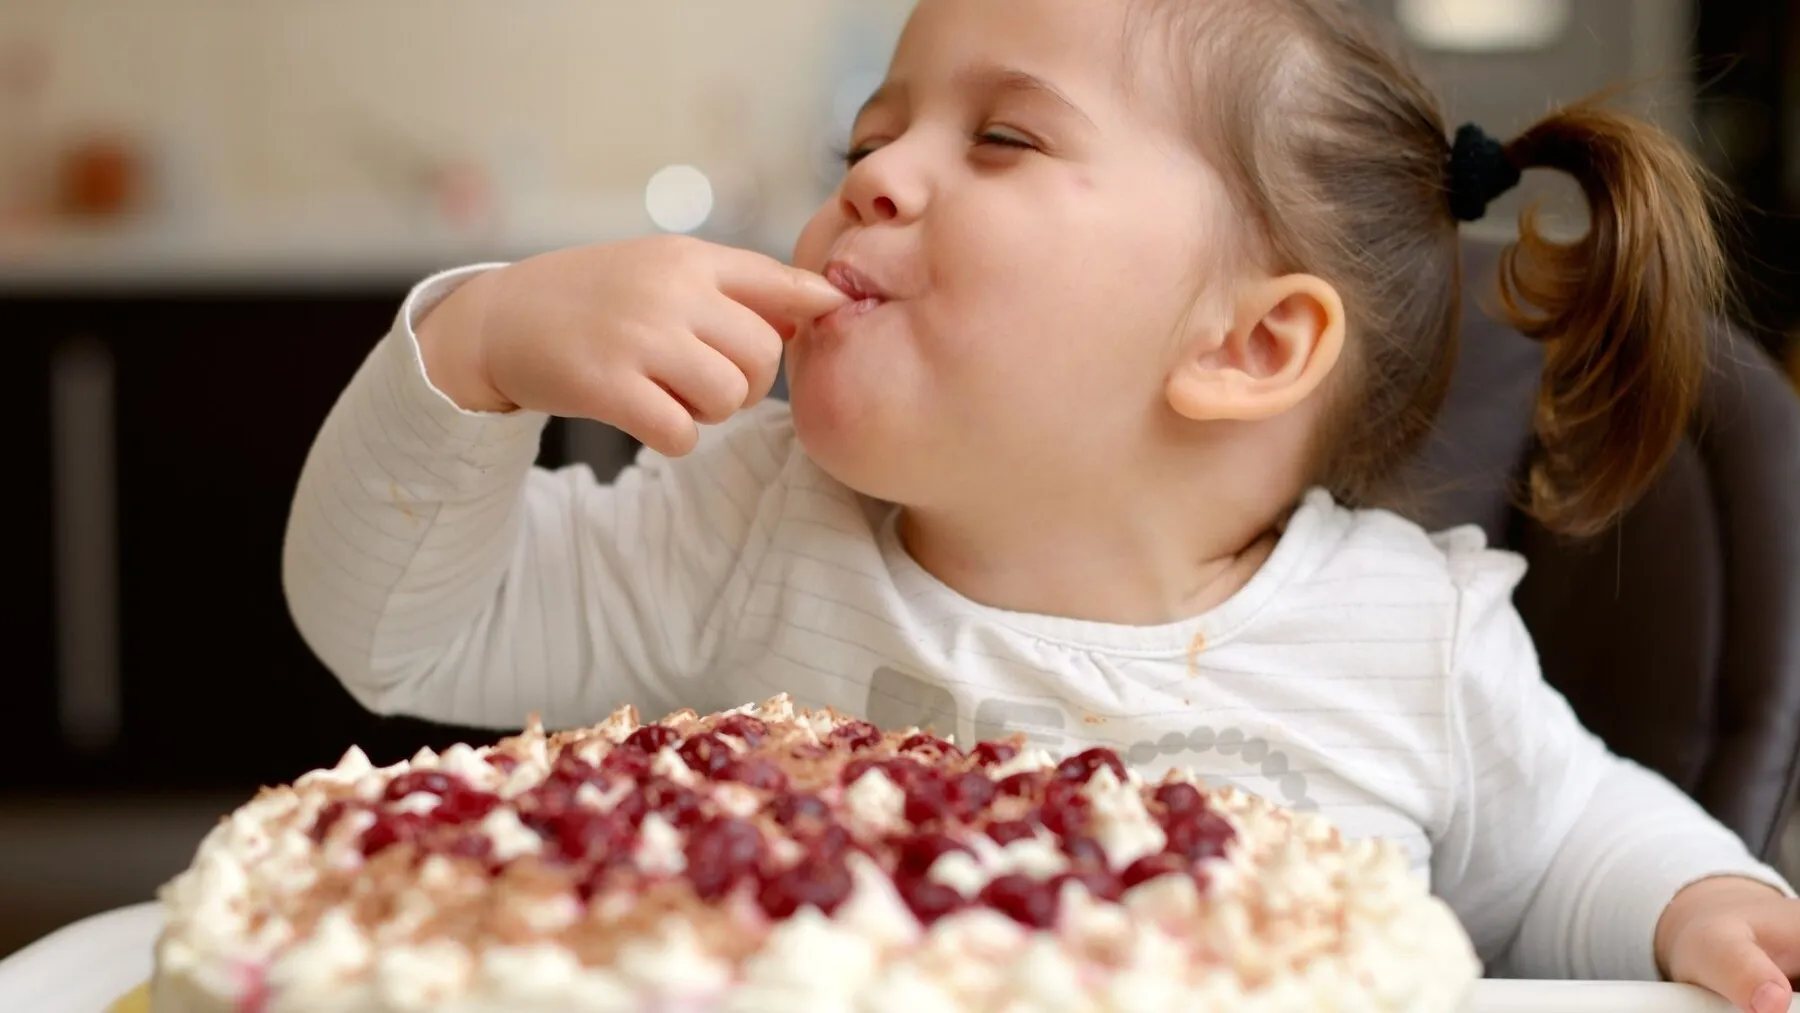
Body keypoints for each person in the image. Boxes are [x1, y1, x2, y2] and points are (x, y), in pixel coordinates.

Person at [281, 0, 1799, 1007]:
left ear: (1250, 343)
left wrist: (1705, 903)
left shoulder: (1407, 642)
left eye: (1000, 138)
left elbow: (1571, 840)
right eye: (866, 140)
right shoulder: (742, 523)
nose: (875, 177)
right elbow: (401, 634)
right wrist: (471, 350)